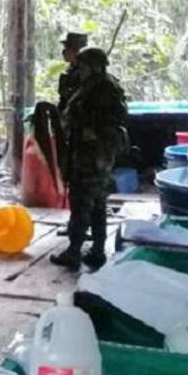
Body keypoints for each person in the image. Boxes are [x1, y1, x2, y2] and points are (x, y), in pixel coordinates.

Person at [51, 47, 128, 271]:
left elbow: (104, 121)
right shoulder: (94, 85)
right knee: (97, 203)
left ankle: (74, 251)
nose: (80, 70)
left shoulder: (102, 89)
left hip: (92, 154)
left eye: (84, 66)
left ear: (94, 67)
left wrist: (87, 131)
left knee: (82, 202)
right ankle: (97, 250)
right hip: (92, 153)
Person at [56, 31, 89, 116]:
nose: (63, 52)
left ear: (76, 51)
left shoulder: (86, 73)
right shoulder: (70, 71)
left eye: (67, 48)